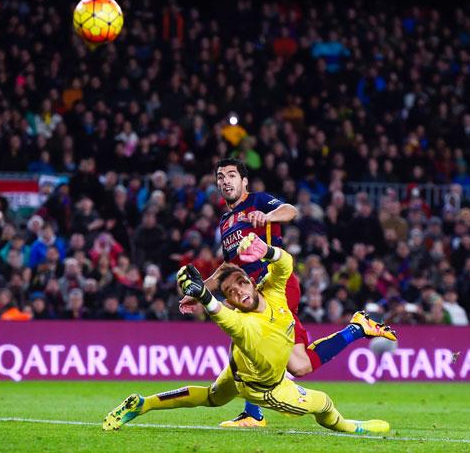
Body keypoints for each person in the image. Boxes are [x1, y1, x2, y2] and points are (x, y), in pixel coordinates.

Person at [103, 234, 396, 434]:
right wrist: (204, 296)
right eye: (230, 292)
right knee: (325, 404)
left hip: (236, 373)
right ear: (228, 299)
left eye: (241, 284)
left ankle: (144, 403)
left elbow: (285, 265)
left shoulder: (273, 293)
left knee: (212, 397)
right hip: (265, 388)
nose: (239, 292)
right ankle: (351, 427)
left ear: (251, 283)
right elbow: (221, 315)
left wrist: (266, 251)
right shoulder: (242, 323)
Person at [182, 158, 378, 428]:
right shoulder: (226, 221)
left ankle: (253, 414)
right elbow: (228, 266)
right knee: (298, 366)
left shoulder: (258, 201)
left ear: (244, 181)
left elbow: (291, 211)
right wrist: (201, 289)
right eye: (220, 176)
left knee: (250, 341)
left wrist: (268, 216)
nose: (225, 181)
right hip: (253, 293)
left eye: (231, 175)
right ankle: (356, 329)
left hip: (275, 286)